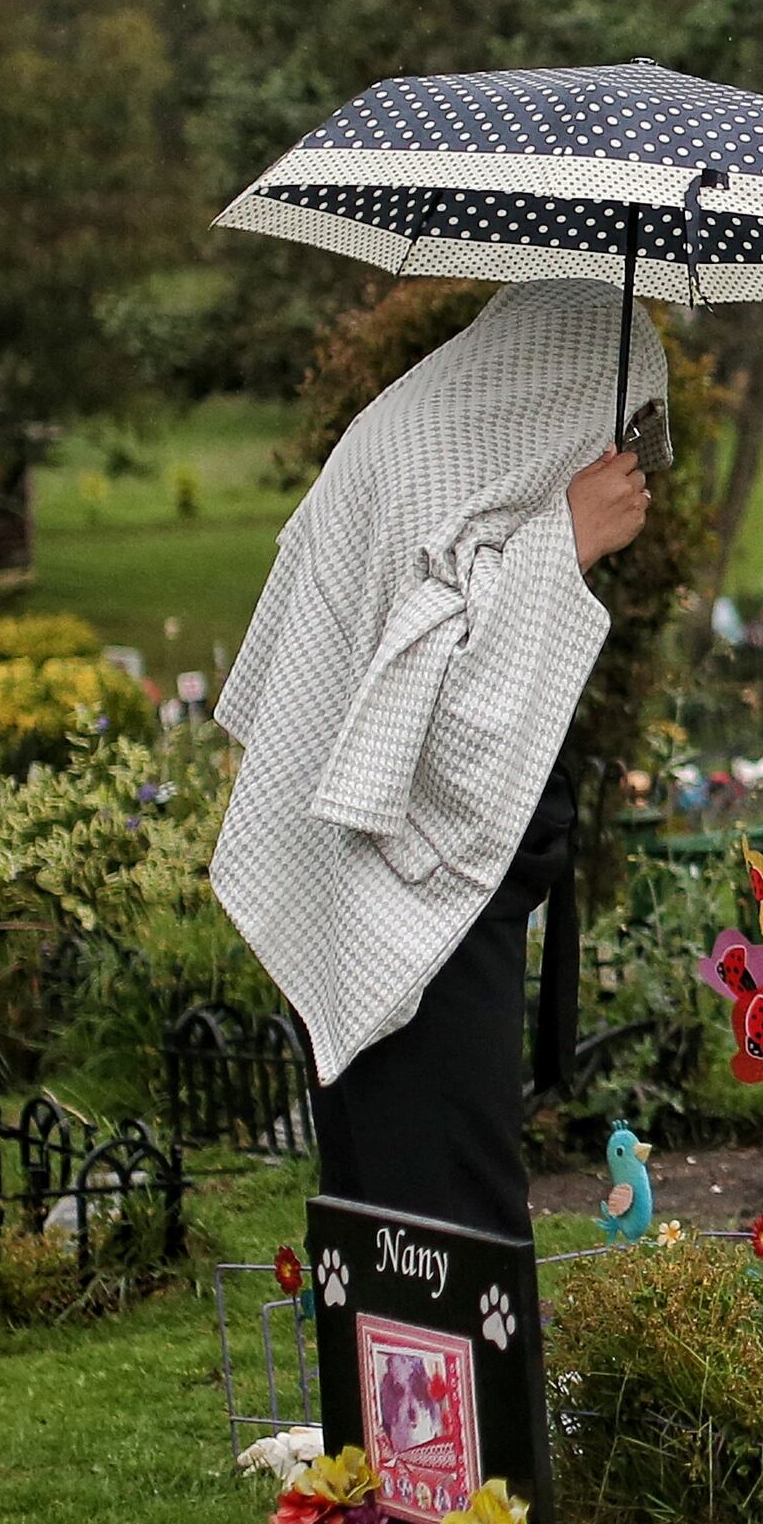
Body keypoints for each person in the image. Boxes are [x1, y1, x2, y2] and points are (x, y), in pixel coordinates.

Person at [215, 282, 655, 1239]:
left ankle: (391, 1394)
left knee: (384, 1205)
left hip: (364, 876)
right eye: (619, 421)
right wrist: (564, 545)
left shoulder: (426, 446)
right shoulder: (424, 466)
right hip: (405, 888)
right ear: (554, 400)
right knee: (448, 1214)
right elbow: (443, 744)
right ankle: (467, 1396)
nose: (630, 451)